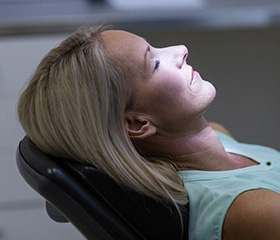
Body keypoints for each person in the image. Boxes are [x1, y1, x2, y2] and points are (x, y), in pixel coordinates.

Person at [17, 25, 280, 240]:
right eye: (154, 63)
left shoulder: (218, 136)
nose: (181, 50)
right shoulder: (256, 211)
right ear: (137, 124)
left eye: (154, 47)